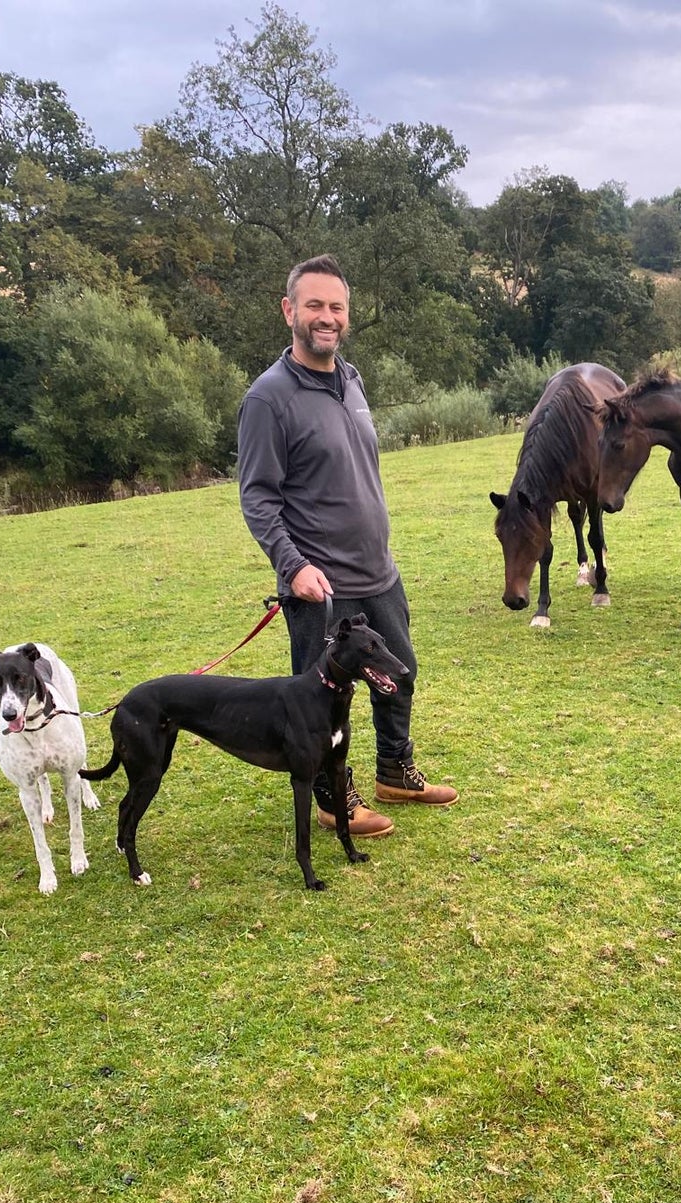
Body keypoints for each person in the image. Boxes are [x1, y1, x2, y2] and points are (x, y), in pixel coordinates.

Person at [237, 253, 458, 837]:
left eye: (336, 307)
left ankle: (395, 770)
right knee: (322, 700)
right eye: (314, 305)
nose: (326, 316)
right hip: (321, 585)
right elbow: (258, 498)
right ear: (290, 311)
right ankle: (336, 798)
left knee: (399, 672)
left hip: (378, 570)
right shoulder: (269, 398)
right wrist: (294, 566)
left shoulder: (352, 380)